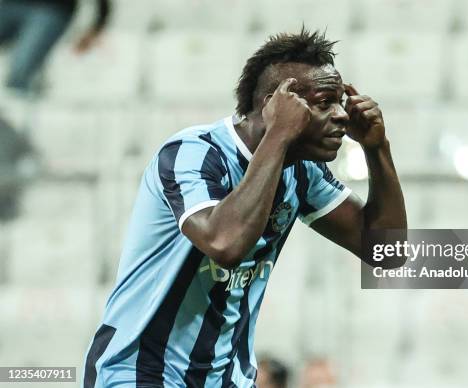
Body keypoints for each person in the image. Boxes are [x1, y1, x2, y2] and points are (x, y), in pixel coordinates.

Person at [83, 28, 407, 388]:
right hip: (140, 373)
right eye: (323, 102)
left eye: (340, 103)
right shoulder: (193, 153)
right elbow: (225, 244)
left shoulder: (302, 170)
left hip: (229, 380)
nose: (341, 115)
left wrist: (378, 149)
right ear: (276, 105)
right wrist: (279, 134)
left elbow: (387, 253)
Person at [0, 0, 110, 93]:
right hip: (9, 4)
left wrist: (95, 28)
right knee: (22, 67)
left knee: (21, 69)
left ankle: (22, 105)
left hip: (52, 9)